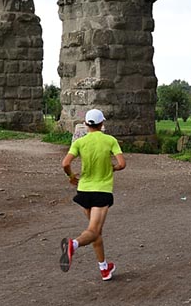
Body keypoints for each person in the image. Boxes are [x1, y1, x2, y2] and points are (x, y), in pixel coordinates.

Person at [60, 108, 126, 281]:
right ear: (102, 123)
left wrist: (71, 176)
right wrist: (113, 168)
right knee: (93, 230)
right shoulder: (110, 140)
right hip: (101, 191)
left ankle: (104, 268)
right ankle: (73, 245)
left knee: (97, 232)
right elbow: (122, 163)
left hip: (84, 191)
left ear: (86, 124)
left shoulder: (80, 142)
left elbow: (65, 163)